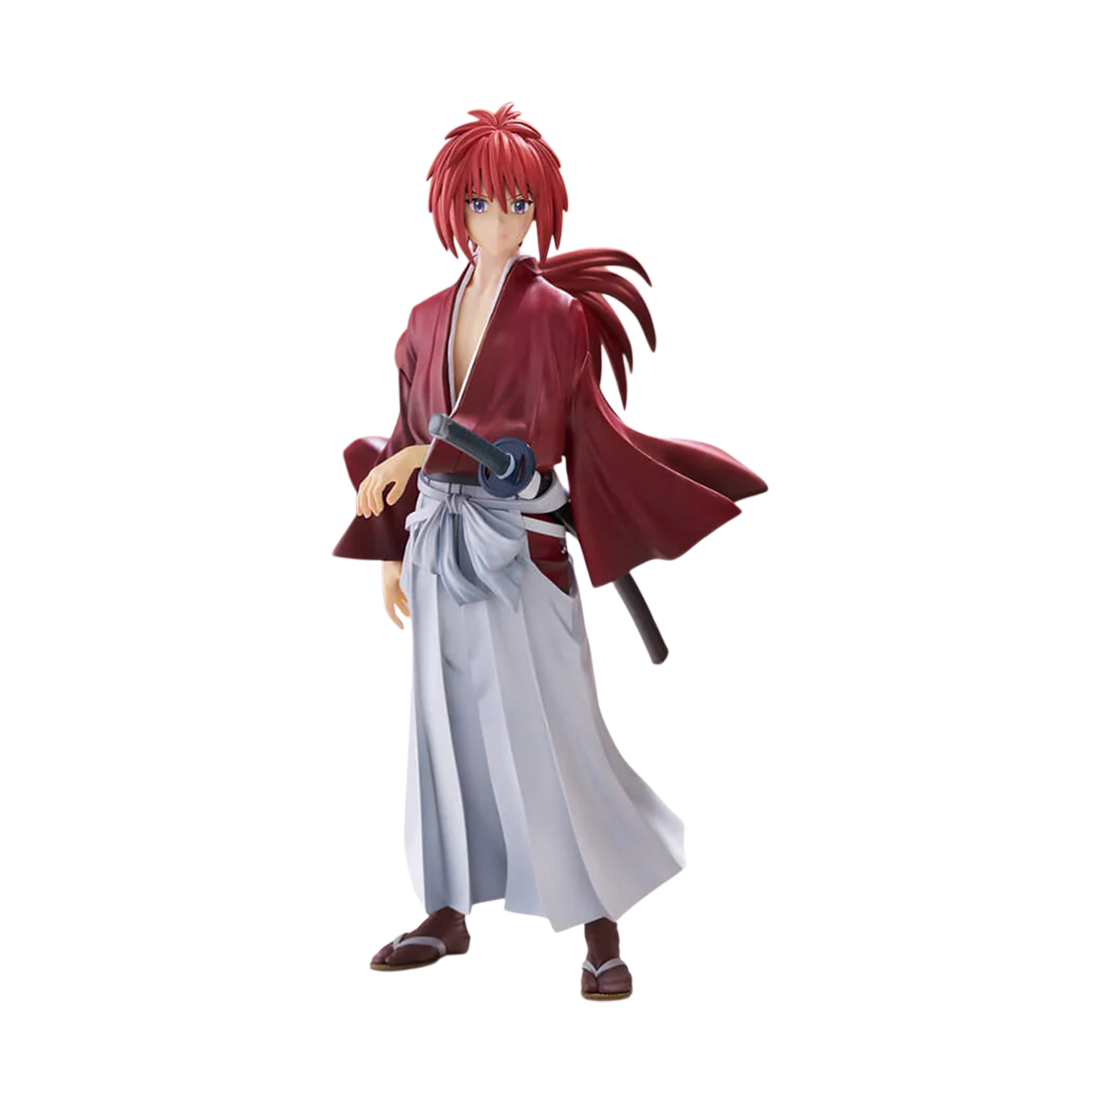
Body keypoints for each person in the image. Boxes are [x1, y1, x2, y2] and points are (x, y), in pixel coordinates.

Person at [333, 103, 766, 1000]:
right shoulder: (424, 318)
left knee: (554, 732)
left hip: (518, 544)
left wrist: (431, 459)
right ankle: (446, 906)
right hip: (434, 545)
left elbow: (535, 438)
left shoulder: (556, 316)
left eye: (519, 204)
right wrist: (389, 548)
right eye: (484, 203)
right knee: (443, 733)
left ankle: (600, 920)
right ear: (457, 210)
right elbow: (404, 431)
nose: (503, 222)